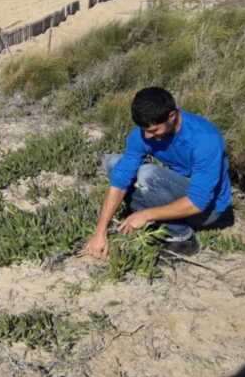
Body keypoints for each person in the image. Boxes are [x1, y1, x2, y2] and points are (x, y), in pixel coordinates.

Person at [82, 87, 232, 258]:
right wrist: (100, 232)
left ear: (172, 116)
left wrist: (145, 215)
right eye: (144, 130)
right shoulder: (143, 134)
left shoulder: (205, 139)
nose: (147, 136)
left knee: (148, 175)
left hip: (209, 210)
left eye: (153, 131)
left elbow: (198, 202)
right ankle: (156, 217)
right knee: (114, 163)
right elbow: (120, 180)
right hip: (179, 191)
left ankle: (183, 238)